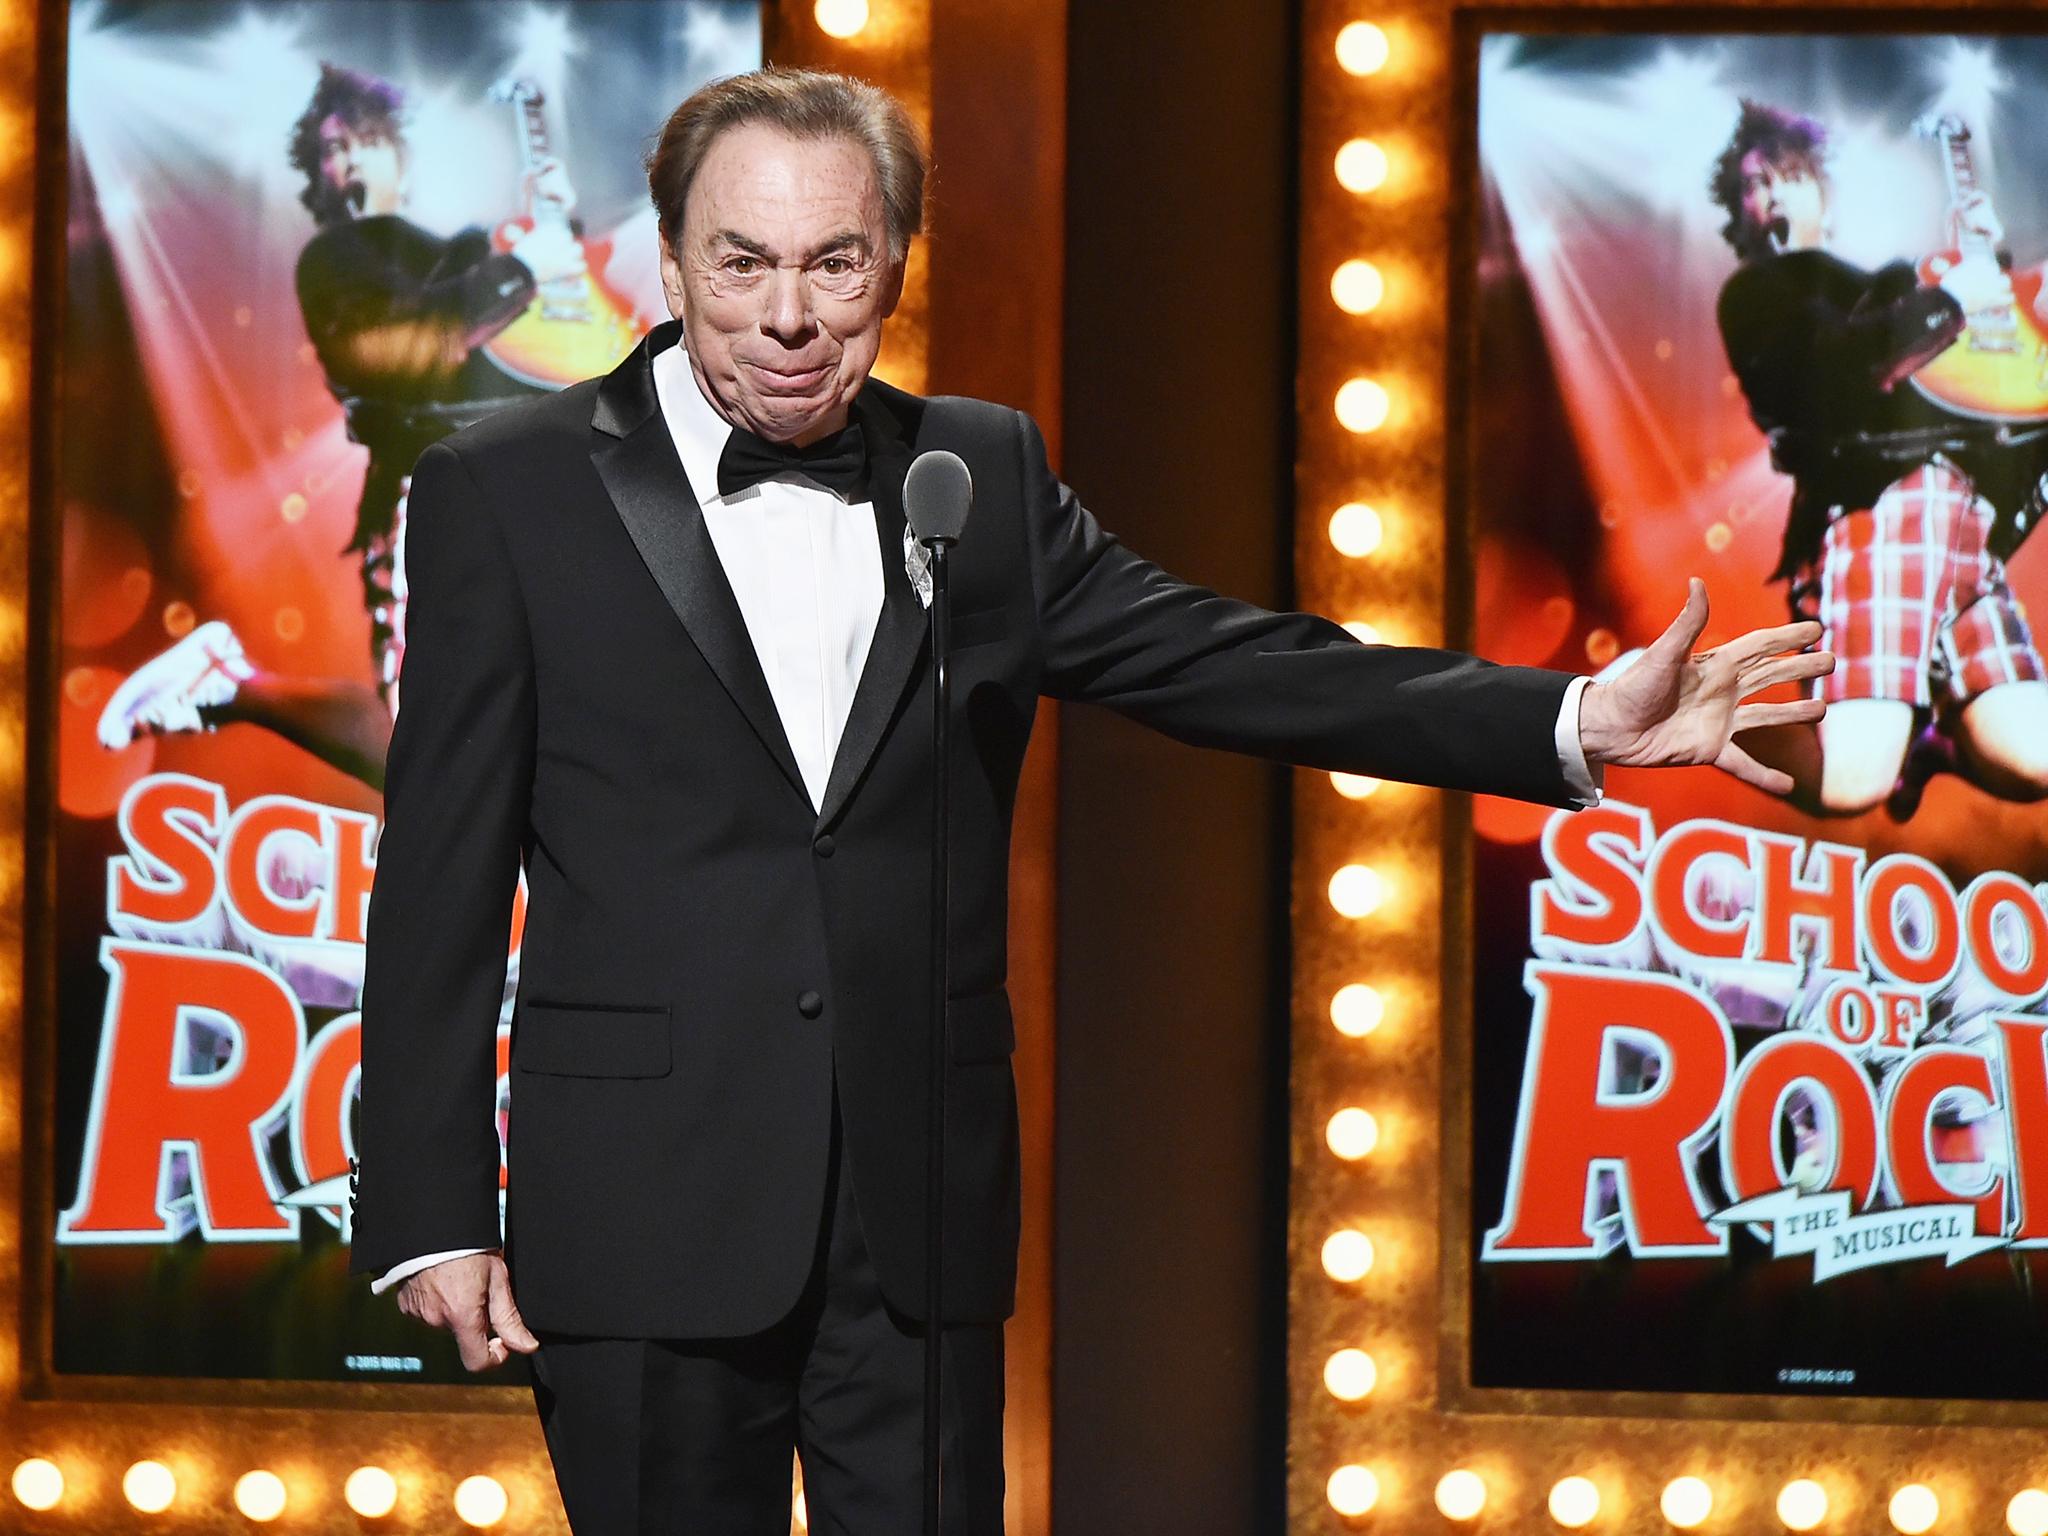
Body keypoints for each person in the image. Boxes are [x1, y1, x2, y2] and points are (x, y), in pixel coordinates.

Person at [350, 68, 1830, 1534]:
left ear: (894, 267)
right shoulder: (509, 490)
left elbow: (1230, 662)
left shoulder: (974, 473)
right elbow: (441, 876)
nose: (789, 318)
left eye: (835, 265)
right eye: (741, 264)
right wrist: (428, 1205)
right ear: (668, 263)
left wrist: (1569, 716)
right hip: (640, 1211)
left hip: (915, 1215)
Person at [96, 63, 591, 786]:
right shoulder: (334, 261)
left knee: (499, 759)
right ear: (318, 172)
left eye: (363, 140)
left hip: (535, 500)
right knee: (437, 759)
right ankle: (235, 686)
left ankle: (232, 685)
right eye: (332, 148)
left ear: (400, 154)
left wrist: (557, 239)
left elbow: (567, 357)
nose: (349, 158)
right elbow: (399, 353)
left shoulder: (465, 251)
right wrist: (520, 271)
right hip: (434, 495)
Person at [1711, 98, 2048, 819]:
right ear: (1736, 214)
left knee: (2034, 758)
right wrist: (1953, 297)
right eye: (1753, 184)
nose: (1770, 194)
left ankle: (1931, 741)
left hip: (1965, 530)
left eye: (1788, 176)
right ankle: (1687, 715)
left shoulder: (1893, 285)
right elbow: (1836, 375)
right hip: (1880, 518)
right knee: (1851, 780)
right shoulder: (1759, 294)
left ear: (1822, 194)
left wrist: (1996, 280)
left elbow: (1998, 392)